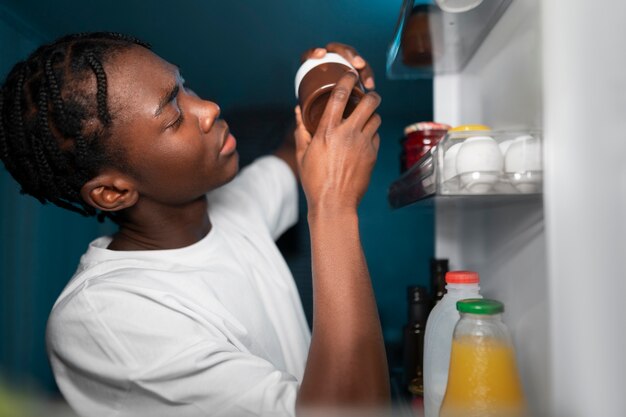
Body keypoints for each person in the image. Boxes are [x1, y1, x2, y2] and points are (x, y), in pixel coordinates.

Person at [0, 32, 389, 416]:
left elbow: (294, 150)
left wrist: (329, 85)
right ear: (113, 192)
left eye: (184, 86)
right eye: (172, 115)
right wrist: (333, 205)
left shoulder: (235, 208)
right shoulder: (105, 319)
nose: (209, 108)